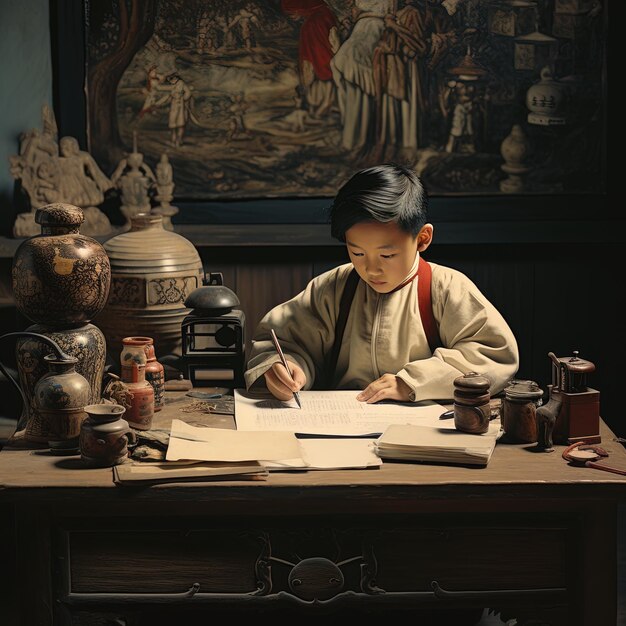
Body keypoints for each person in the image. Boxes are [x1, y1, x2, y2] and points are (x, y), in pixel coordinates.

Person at [244, 163, 519, 404]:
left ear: (422, 239)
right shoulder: (333, 288)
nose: (371, 268)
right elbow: (280, 341)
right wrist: (286, 367)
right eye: (357, 253)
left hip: (424, 432)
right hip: (341, 426)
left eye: (387, 255)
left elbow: (494, 357)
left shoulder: (446, 288)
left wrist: (412, 382)